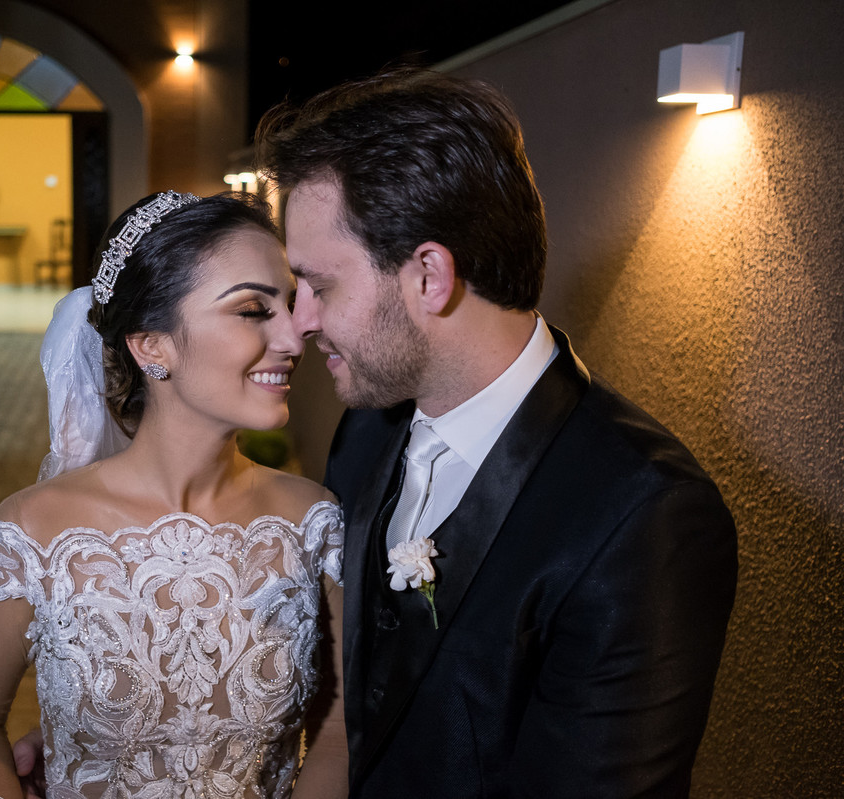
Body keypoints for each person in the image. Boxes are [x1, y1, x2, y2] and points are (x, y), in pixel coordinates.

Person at [249, 68, 738, 796]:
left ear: (429, 277)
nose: (300, 324)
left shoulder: (646, 515)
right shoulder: (366, 431)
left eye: (321, 286)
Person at [0, 190, 348, 799]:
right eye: (252, 310)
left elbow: (338, 730)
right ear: (151, 344)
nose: (295, 337)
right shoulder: (32, 533)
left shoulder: (313, 522)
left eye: (289, 305)